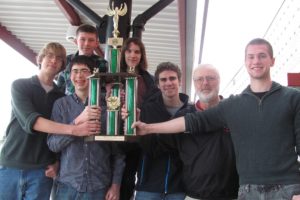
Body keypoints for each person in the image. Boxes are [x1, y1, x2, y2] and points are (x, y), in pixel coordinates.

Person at [132, 38, 300, 200]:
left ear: (272, 60)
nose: (256, 61)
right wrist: (146, 128)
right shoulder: (222, 107)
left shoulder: (286, 99)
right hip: (229, 193)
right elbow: (186, 126)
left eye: (262, 55)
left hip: (272, 190)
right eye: (251, 56)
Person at [0, 42, 100, 200]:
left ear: (62, 66)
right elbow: (32, 122)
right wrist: (75, 128)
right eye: (49, 55)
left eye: (59, 58)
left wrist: (57, 162)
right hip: (10, 165)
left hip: (43, 170)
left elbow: (61, 141)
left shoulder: (61, 98)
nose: (54, 60)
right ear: (40, 58)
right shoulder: (20, 86)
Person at [48, 55, 125, 200]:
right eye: (75, 71)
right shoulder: (61, 105)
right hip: (66, 185)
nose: (79, 75)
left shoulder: (109, 105)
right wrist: (75, 127)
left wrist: (116, 185)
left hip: (98, 186)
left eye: (84, 70)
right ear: (69, 76)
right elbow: (53, 144)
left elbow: (118, 151)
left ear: (93, 75)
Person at [157, 64, 239, 200]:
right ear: (194, 83)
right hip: (194, 195)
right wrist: (134, 120)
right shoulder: (182, 117)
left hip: (233, 195)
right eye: (199, 79)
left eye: (210, 78)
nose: (205, 83)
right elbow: (161, 147)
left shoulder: (235, 112)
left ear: (219, 80)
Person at [124, 62, 193, 199]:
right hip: (148, 185)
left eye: (172, 78)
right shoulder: (146, 110)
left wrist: (157, 137)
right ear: (157, 84)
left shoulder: (191, 112)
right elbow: (146, 145)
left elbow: (189, 147)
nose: (168, 83)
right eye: (163, 79)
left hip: (179, 187)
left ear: (180, 81)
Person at [119, 37, 158, 200]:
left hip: (137, 138)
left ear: (142, 55)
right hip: (114, 137)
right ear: (123, 53)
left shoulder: (148, 79)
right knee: (112, 179)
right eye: (129, 51)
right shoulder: (113, 74)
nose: (133, 55)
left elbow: (154, 105)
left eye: (137, 51)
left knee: (129, 179)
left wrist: (140, 111)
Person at [57, 23, 107, 95]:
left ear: (97, 43)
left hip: (94, 104)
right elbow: (59, 89)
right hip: (69, 104)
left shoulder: (103, 64)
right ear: (76, 41)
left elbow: (106, 89)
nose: (86, 43)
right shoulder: (66, 61)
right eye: (82, 39)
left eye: (91, 40)